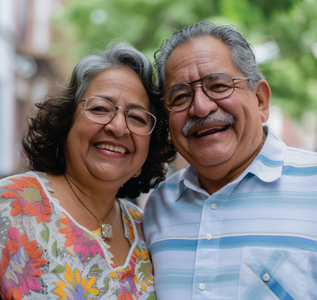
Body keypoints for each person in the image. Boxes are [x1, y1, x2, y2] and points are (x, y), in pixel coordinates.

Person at [143, 20, 317, 299]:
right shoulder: (158, 207)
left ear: (260, 100)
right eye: (180, 96)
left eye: (219, 85)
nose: (200, 107)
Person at [0, 41, 175, 299]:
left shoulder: (146, 230)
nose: (118, 127)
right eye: (100, 109)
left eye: (137, 118)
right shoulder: (9, 205)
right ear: (66, 122)